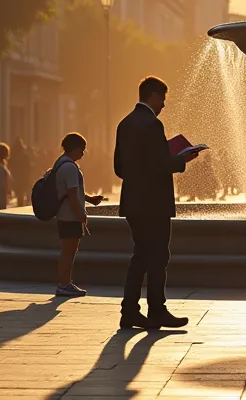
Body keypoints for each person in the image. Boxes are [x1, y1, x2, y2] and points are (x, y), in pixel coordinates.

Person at [114, 76, 198, 330]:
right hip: (154, 203)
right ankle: (157, 311)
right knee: (159, 255)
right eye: (162, 98)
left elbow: (120, 168)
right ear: (152, 96)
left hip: (133, 202)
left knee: (140, 254)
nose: (164, 104)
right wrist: (183, 159)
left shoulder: (125, 123)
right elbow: (159, 164)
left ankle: (129, 311)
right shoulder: (153, 124)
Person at [54, 132, 104, 297]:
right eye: (82, 150)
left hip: (64, 215)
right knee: (69, 250)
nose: (83, 153)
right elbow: (72, 193)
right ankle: (64, 284)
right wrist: (80, 214)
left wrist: (90, 199)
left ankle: (64, 283)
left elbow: (72, 191)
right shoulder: (69, 167)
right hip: (70, 216)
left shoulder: (60, 163)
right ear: (75, 149)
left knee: (67, 250)